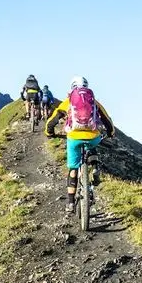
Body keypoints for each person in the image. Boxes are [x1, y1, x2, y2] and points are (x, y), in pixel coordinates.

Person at [44, 76, 115, 213]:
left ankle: (71, 203)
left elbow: (52, 120)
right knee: (93, 144)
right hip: (92, 136)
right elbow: (107, 119)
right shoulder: (93, 101)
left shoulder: (68, 102)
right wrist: (111, 132)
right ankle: (95, 167)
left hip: (74, 138)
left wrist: (49, 133)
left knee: (73, 168)